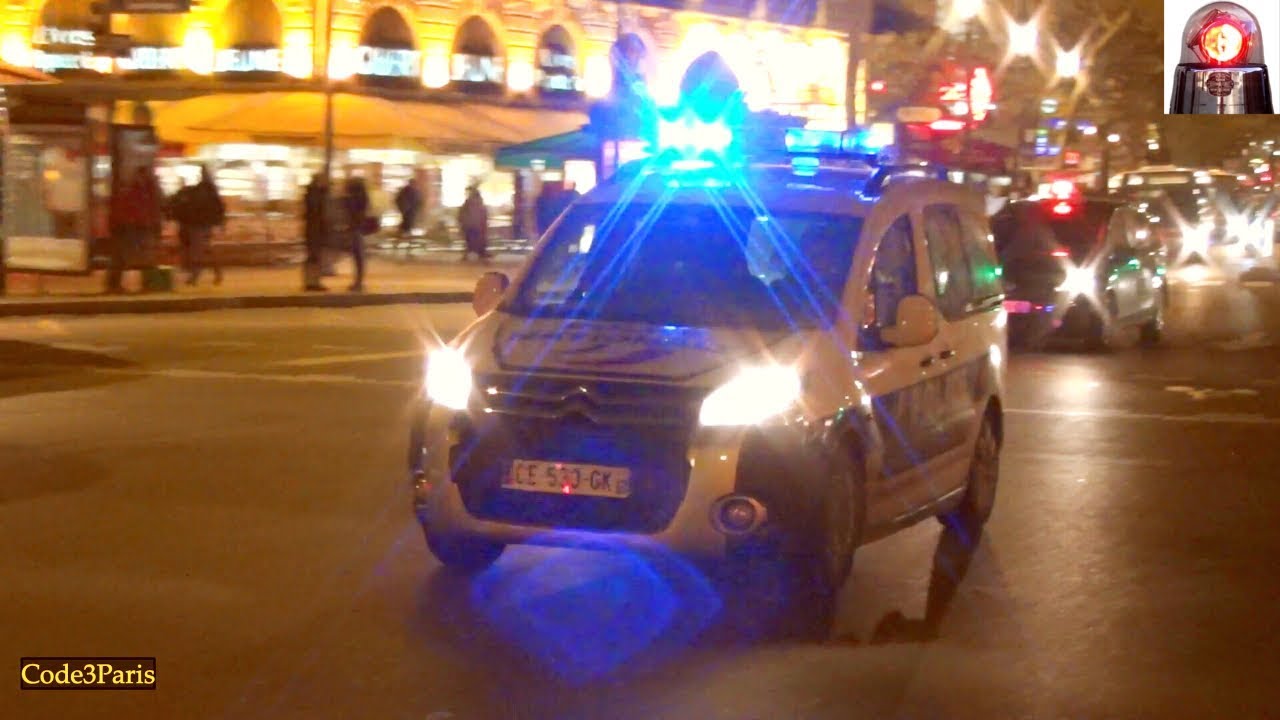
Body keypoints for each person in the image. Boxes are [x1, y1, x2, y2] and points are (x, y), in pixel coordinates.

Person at [106, 164, 162, 294]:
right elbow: (147, 209)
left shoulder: (138, 190)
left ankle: (116, 284)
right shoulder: (142, 191)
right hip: (133, 226)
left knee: (132, 256)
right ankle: (117, 285)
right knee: (129, 256)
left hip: (134, 226)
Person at [179, 165, 225, 286]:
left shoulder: (202, 190)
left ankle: (195, 276)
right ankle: (217, 273)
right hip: (205, 224)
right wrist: (220, 223)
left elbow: (216, 208)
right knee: (205, 250)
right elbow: (219, 208)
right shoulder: (210, 190)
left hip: (199, 225)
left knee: (198, 251)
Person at [302, 174, 330, 291]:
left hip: (314, 228)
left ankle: (311, 281)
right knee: (314, 256)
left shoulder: (312, 193)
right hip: (315, 229)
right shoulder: (315, 194)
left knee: (314, 256)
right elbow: (316, 211)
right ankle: (312, 282)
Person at [343, 176, 370, 291]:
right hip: (358, 228)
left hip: (355, 228)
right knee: (358, 256)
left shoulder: (355, 198)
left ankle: (358, 282)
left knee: (358, 255)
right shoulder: (362, 196)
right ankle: (358, 281)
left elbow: (352, 213)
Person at [459, 184, 489, 262]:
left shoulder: (469, 202)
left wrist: (462, 223)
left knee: (471, 241)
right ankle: (478, 254)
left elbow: (462, 213)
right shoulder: (479, 202)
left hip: (471, 225)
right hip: (475, 225)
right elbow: (483, 214)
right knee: (476, 241)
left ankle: (473, 254)